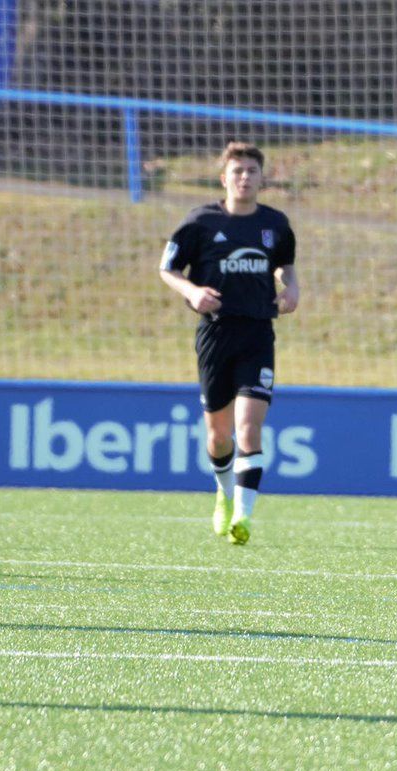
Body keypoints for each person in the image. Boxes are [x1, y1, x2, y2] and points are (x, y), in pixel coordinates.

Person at [158, 141, 300, 545]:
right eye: (237, 171)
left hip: (258, 332)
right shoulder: (200, 222)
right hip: (215, 334)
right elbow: (167, 268)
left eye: (252, 171)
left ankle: (244, 515)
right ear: (225, 179)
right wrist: (191, 292)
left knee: (248, 428)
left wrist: (291, 290)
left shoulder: (275, 224)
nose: (244, 178)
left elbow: (285, 268)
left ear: (261, 178)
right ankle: (223, 493)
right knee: (219, 435)